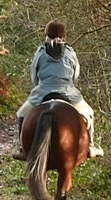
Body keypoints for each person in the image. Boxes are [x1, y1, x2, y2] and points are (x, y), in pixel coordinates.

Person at [12, 19, 104, 160]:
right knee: (89, 113)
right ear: (64, 35)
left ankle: (23, 149)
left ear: (46, 35)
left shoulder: (40, 52)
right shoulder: (70, 52)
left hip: (42, 92)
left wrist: (40, 87)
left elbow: (34, 76)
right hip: (68, 92)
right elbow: (75, 75)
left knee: (22, 114)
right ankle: (91, 146)